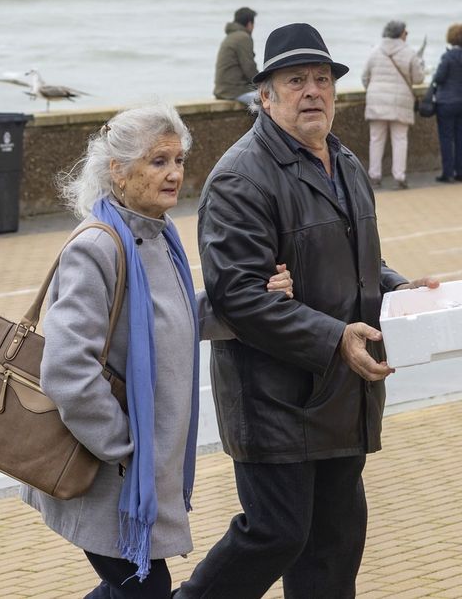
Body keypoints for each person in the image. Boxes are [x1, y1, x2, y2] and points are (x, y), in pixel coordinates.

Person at [178, 22, 437, 599]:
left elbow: (352, 262)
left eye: (322, 79)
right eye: (296, 81)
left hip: (343, 394)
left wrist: (397, 288)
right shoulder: (241, 177)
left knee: (335, 545)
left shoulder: (343, 162)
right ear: (265, 96)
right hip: (274, 399)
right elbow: (238, 297)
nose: (313, 91)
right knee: (275, 533)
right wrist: (335, 337)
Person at [28, 105, 294, 597]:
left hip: (139, 474)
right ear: (118, 172)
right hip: (110, 478)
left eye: (178, 159)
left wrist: (256, 299)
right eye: (157, 161)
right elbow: (67, 371)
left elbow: (175, 320)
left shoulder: (159, 236)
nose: (174, 173)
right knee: (145, 590)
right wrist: (125, 452)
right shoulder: (98, 247)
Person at [360, 20, 424, 189]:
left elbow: (365, 77)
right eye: (406, 32)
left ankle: (374, 176)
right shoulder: (410, 53)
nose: (407, 35)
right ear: (401, 34)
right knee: (400, 139)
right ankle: (399, 177)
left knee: (376, 139)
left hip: (376, 100)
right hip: (401, 101)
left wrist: (372, 90)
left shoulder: (375, 51)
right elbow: (418, 79)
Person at [430, 23, 462, 183]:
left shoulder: (448, 56)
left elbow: (439, 78)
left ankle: (448, 172)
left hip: (447, 101)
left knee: (446, 137)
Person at [214, 7, 259, 107]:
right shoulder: (243, 37)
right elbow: (249, 68)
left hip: (223, 90)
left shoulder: (231, 36)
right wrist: (264, 85)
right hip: (235, 91)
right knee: (271, 100)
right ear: (250, 24)